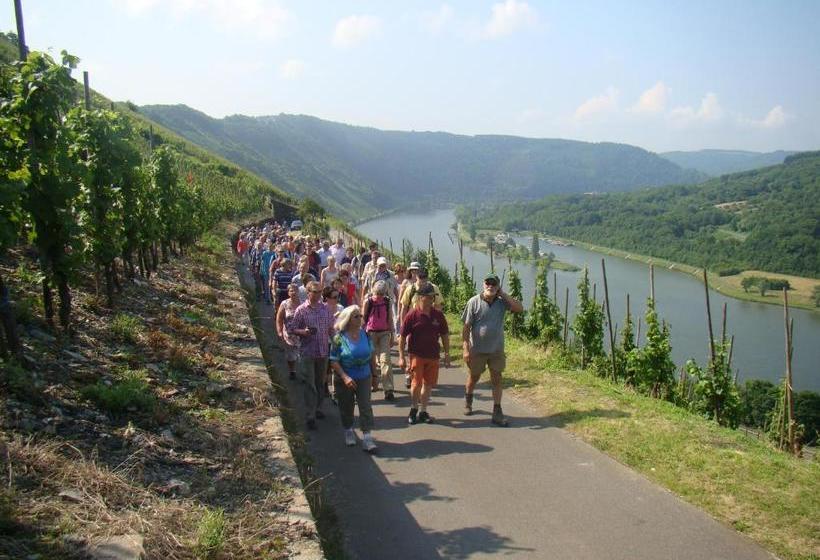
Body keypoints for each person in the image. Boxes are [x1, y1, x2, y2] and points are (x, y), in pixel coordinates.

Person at [461, 273, 524, 427]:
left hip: (496, 350)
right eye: (488, 283)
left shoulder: (502, 303)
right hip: (477, 349)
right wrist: (466, 349)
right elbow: (466, 327)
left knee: (497, 379)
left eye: (494, 284)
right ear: (483, 284)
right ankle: (468, 400)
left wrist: (503, 294)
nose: (490, 286)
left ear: (498, 286)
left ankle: (497, 411)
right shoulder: (474, 302)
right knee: (474, 377)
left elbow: (519, 308)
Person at [329, 306, 378, 452]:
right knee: (346, 406)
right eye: (356, 316)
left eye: (360, 316)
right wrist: (345, 377)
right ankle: (348, 430)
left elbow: (372, 356)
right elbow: (333, 360)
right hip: (345, 378)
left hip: (364, 377)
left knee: (365, 406)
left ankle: (367, 437)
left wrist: (375, 376)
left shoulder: (366, 335)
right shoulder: (339, 338)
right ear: (348, 319)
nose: (360, 318)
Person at [399, 284, 450, 425]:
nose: (432, 299)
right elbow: (402, 337)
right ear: (421, 297)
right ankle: (413, 409)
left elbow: (445, 335)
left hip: (433, 355)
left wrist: (447, 353)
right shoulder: (412, 315)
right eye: (430, 297)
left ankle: (423, 411)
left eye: (433, 297)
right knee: (416, 384)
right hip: (417, 355)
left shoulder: (438, 315)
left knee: (428, 384)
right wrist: (401, 357)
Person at [291, 281, 335, 430]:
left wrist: (338, 343)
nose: (318, 295)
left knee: (320, 382)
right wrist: (303, 332)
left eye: (320, 292)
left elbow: (331, 329)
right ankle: (310, 415)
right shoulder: (301, 310)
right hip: (307, 352)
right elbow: (292, 328)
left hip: (323, 351)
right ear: (308, 292)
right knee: (309, 384)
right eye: (315, 292)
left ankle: (319, 408)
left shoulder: (326, 309)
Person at [363, 280, 396, 400]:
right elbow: (363, 319)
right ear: (373, 291)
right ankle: (372, 384)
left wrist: (392, 335)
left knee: (385, 360)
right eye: (377, 293)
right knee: (371, 361)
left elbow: (390, 319)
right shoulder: (368, 301)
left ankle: (388, 389)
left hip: (384, 333)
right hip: (370, 333)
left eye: (381, 294)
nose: (379, 296)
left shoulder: (387, 302)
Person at [276, 283, 301, 380]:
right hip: (289, 334)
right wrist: (279, 331)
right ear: (288, 293)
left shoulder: (303, 303)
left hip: (302, 333)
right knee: (291, 355)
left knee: (302, 354)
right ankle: (292, 370)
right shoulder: (284, 304)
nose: (294, 292)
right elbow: (279, 318)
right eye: (291, 291)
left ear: (298, 292)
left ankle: (305, 373)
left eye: (295, 290)